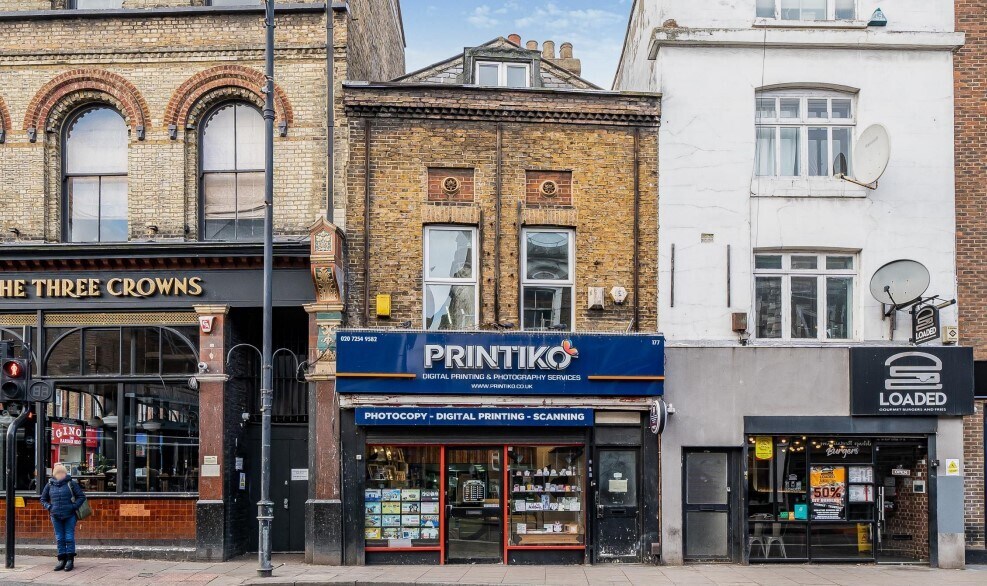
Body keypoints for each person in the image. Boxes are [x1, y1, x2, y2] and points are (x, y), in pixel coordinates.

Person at [40, 463, 86, 572]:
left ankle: (70, 560)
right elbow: (43, 499)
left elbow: (81, 496)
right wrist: (49, 507)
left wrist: (73, 507)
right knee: (60, 538)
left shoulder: (71, 483)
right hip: (55, 515)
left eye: (62, 472)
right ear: (54, 474)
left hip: (70, 515)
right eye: (58, 473)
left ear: (65, 473)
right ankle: (61, 559)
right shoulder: (49, 485)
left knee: (69, 537)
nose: (60, 474)